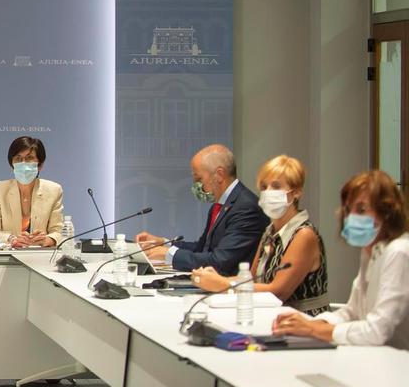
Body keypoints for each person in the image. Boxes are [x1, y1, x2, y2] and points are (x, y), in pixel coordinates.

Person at [273, 169, 409, 350]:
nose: (351, 217)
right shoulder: (370, 251)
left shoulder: (398, 252)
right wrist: (311, 322)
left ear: (386, 213)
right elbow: (352, 312)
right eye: (348, 209)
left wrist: (312, 330)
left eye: (361, 209)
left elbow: (376, 331)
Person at [189, 155, 329, 314]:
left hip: (303, 323)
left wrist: (222, 284)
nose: (268, 192)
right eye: (264, 187)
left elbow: (277, 292)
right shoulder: (270, 232)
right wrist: (215, 279)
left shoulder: (304, 234)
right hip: (270, 317)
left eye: (276, 186)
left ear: (296, 192)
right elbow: (250, 279)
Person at [136, 143, 266, 276]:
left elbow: (220, 261)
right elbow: (203, 248)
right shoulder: (219, 206)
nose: (196, 185)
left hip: (230, 290)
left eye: (199, 179)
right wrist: (165, 243)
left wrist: (169, 254)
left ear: (219, 175)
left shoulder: (246, 208)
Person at [0, 136, 64, 248]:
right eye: (18, 159)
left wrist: (47, 240)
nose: (23, 163)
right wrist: (11, 239)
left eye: (29, 158)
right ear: (12, 164)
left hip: (41, 259)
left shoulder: (54, 190)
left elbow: (59, 233)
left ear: (40, 165)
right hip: (7, 260)